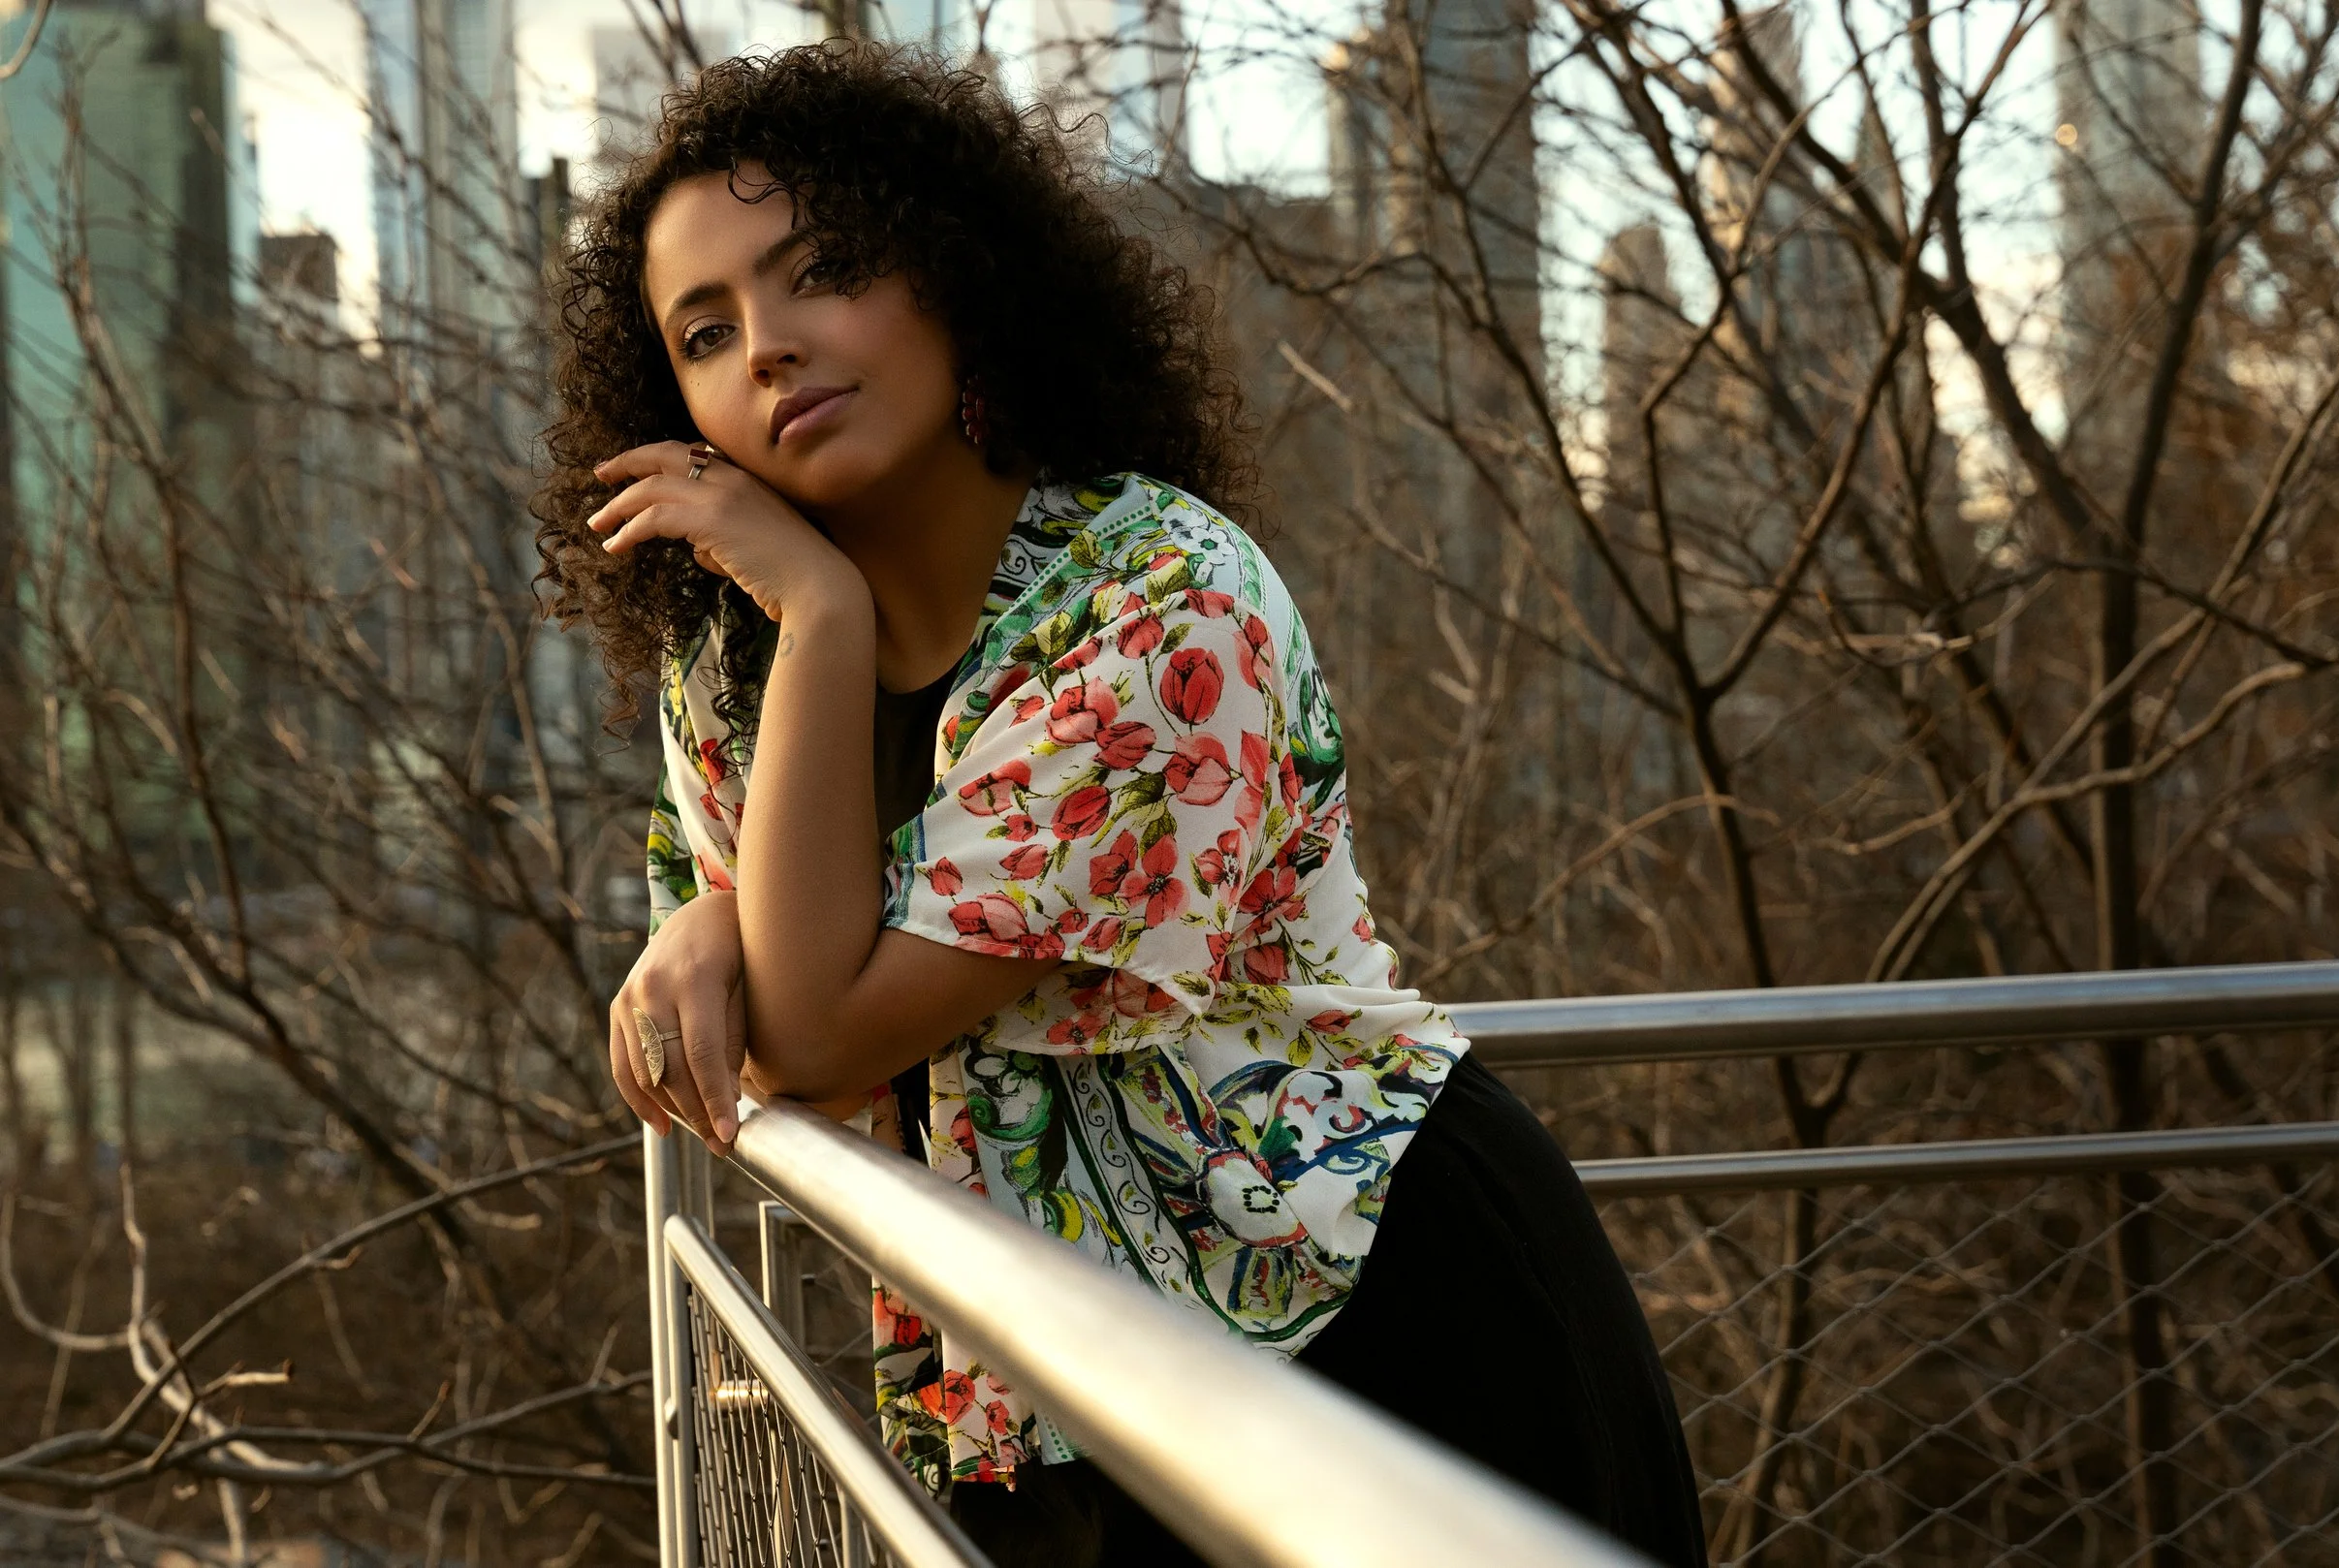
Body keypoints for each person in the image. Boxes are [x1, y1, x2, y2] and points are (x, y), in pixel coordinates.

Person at [533, 41, 1705, 1568]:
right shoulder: (730, 659)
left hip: (1375, 1328)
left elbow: (813, 1031)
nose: (766, 347)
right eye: (704, 331)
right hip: (1041, 1380)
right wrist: (705, 906)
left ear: (953, 269)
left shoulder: (1161, 600)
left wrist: (822, 610)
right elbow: (758, 943)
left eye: (820, 268)